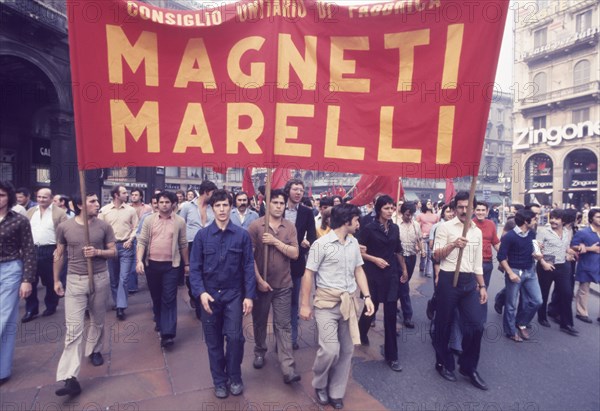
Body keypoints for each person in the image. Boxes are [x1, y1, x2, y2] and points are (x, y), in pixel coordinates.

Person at [300, 203, 375, 410]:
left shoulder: (353, 243)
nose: (358, 223)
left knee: (346, 350)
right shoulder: (320, 245)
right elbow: (309, 274)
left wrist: (367, 296)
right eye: (356, 219)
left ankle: (336, 391)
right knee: (330, 350)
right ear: (346, 221)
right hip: (326, 304)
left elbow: (359, 271)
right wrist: (305, 304)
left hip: (349, 302)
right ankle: (320, 383)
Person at [189, 189, 256, 398]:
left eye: (225, 205)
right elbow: (195, 268)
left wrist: (249, 296)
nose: (222, 209)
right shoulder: (202, 236)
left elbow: (247, 267)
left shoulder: (242, 236)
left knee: (235, 338)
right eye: (217, 205)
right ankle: (219, 380)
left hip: (234, 294)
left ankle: (234, 376)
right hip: (209, 296)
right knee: (214, 341)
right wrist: (200, 293)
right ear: (212, 208)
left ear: (231, 207)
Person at [53, 193, 117, 397]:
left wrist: (97, 253)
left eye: (97, 201)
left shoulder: (103, 226)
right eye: (92, 201)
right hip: (74, 280)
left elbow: (113, 252)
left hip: (99, 278)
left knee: (97, 321)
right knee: (73, 330)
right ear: (80, 204)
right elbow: (59, 254)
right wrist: (56, 280)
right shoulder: (65, 227)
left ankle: (94, 350)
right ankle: (70, 377)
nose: (97, 204)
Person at [432, 191, 488, 391]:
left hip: (468, 283)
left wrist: (481, 286)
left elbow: (477, 262)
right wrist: (453, 245)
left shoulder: (477, 232)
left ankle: (468, 367)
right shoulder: (444, 227)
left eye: (468, 207)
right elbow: (436, 254)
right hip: (448, 280)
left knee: (476, 326)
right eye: (461, 207)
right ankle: (443, 363)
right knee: (443, 326)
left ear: (473, 208)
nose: (465, 211)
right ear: (455, 209)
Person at [247, 189, 301, 384]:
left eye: (281, 203)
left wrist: (275, 242)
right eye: (275, 202)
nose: (278, 206)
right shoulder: (255, 226)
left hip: (284, 285)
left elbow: (295, 253)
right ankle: (260, 351)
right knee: (260, 322)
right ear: (267, 204)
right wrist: (259, 280)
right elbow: (248, 258)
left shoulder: (290, 227)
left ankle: (288, 366)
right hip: (262, 286)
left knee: (284, 325)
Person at [357, 195, 407, 372]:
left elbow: (398, 249)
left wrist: (404, 269)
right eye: (386, 208)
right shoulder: (368, 228)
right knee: (371, 308)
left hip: (391, 274)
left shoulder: (394, 228)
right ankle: (361, 331)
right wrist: (374, 259)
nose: (390, 211)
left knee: (391, 314)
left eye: (392, 208)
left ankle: (392, 355)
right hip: (373, 274)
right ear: (379, 209)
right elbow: (357, 251)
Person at [136, 191, 189, 348]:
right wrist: (139, 260)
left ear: (173, 204)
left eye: (167, 202)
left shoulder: (179, 221)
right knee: (157, 297)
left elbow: (183, 243)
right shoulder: (148, 220)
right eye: (161, 202)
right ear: (156, 204)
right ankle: (160, 321)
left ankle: (168, 334)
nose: (164, 205)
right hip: (151, 265)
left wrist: (187, 264)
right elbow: (143, 240)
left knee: (169, 297)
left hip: (171, 266)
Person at [0, 181, 35, 385]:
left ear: (9, 198)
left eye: (2, 195)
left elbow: (29, 250)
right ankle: (3, 369)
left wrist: (27, 280)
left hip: (11, 269)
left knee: (4, 318)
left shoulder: (20, 220)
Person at [497, 209, 547, 342]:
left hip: (530, 271)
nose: (536, 221)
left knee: (537, 301)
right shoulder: (509, 237)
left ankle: (521, 322)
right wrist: (510, 273)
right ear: (526, 221)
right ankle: (510, 331)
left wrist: (537, 252)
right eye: (534, 219)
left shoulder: (532, 233)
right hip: (515, 271)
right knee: (511, 304)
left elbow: (532, 249)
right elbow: (501, 256)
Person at [22, 188, 67, 322]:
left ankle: (51, 305)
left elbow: (63, 234)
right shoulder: (30, 212)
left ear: (51, 198)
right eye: (39, 197)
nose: (41, 200)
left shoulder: (59, 213)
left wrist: (59, 249)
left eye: (44, 197)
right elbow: (24, 232)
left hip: (50, 250)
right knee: (30, 280)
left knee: (50, 281)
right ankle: (31, 309)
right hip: (32, 251)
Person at [283, 178, 317, 350]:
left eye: (301, 190)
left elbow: (312, 237)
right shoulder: (278, 208)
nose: (298, 193)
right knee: (278, 302)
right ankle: (281, 338)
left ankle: (292, 338)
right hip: (277, 262)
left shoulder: (306, 212)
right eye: (295, 189)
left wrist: (304, 245)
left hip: (296, 263)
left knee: (294, 301)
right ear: (288, 190)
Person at [179, 180, 218, 318]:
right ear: (206, 192)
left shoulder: (213, 207)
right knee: (191, 276)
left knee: (207, 274)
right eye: (213, 193)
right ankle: (194, 296)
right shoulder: (187, 207)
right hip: (191, 244)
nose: (215, 196)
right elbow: (180, 224)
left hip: (209, 244)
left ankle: (202, 307)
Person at [535, 209, 578, 335]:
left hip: (563, 266)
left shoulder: (566, 232)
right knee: (544, 292)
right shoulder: (544, 231)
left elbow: (566, 247)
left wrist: (569, 253)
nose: (553, 220)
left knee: (567, 293)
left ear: (563, 220)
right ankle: (542, 316)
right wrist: (543, 263)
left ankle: (566, 324)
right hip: (546, 265)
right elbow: (537, 249)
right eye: (552, 217)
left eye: (556, 218)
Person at [99, 185, 138, 320]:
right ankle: (117, 302)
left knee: (124, 277)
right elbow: (100, 229)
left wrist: (131, 239)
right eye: (123, 193)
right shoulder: (104, 211)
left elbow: (136, 227)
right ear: (116, 195)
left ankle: (121, 307)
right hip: (111, 248)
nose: (127, 195)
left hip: (126, 246)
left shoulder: (131, 210)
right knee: (113, 279)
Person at [397, 201, 424, 328]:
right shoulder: (396, 224)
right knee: (404, 285)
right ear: (402, 213)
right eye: (407, 214)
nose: (409, 217)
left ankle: (395, 305)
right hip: (398, 257)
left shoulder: (416, 225)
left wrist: (422, 250)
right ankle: (408, 315)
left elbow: (419, 239)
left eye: (411, 215)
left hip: (412, 257)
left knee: (403, 283)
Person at [571, 208, 600, 324]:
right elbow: (573, 246)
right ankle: (581, 313)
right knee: (584, 289)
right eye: (598, 217)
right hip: (587, 263)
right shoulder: (583, 233)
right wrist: (590, 249)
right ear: (591, 218)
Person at [472, 202, 500, 288]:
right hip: (473, 263)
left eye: (483, 210)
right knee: (474, 290)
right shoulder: (469, 224)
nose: (480, 212)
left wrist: (505, 255)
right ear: (474, 211)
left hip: (487, 263)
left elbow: (495, 242)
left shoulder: (491, 224)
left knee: (484, 289)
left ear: (487, 211)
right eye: (478, 210)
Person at [417, 199, 439, 278]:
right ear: (424, 205)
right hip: (423, 237)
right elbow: (417, 226)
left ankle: (428, 271)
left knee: (430, 255)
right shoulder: (420, 215)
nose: (430, 205)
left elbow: (437, 226)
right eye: (428, 203)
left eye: (431, 203)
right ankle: (422, 266)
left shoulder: (436, 216)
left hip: (431, 238)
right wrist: (421, 234)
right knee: (424, 254)